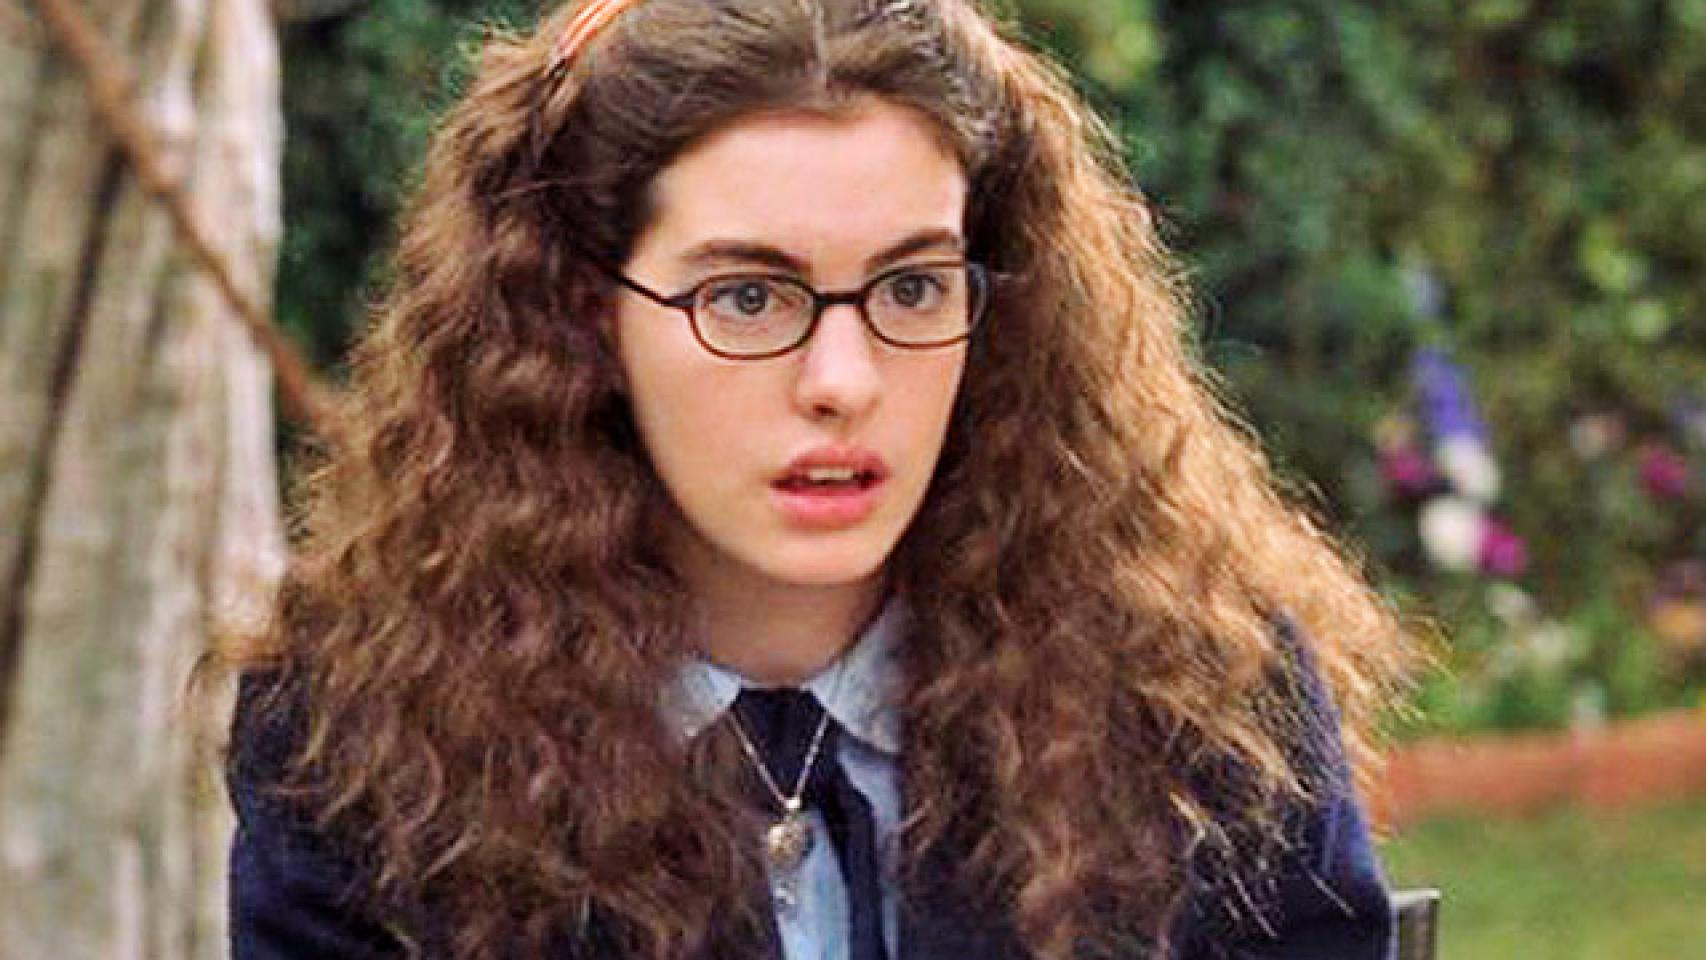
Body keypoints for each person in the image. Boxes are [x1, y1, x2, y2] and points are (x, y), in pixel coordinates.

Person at [223, 0, 1413, 958]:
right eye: (746, 296)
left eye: (911, 287)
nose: (842, 381)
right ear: (586, 314)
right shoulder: (368, 743)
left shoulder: (1195, 700)